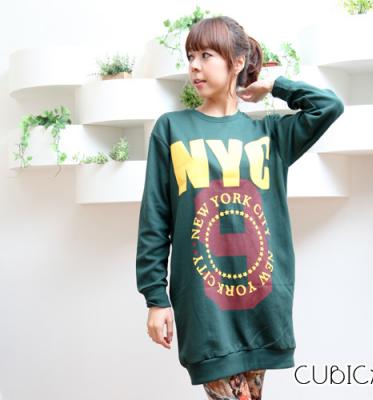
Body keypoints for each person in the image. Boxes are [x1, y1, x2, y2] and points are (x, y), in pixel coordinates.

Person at [136, 15, 344, 399]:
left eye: (206, 55)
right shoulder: (172, 128)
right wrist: (155, 298)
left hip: (262, 305)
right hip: (204, 309)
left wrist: (274, 85)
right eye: (190, 56)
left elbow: (329, 106)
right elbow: (155, 217)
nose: (194, 66)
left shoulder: (270, 134)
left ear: (236, 62)